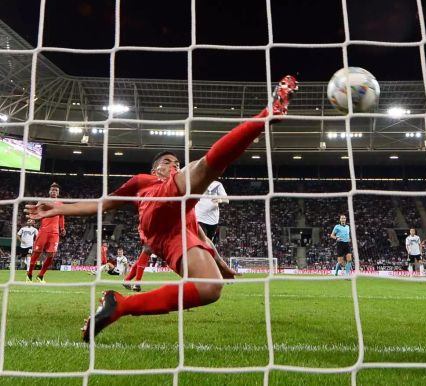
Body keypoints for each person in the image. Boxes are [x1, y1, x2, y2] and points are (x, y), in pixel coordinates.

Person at [25, 74, 299, 342]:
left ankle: (120, 305)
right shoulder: (145, 181)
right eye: (168, 161)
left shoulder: (186, 199)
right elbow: (103, 204)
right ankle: (268, 114)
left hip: (175, 237)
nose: (173, 165)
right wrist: (60, 207)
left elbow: (200, 236)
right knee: (204, 167)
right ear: (155, 167)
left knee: (211, 288)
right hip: (158, 210)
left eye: (175, 163)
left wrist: (222, 265)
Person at [27, 183, 66, 283]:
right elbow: (35, 211)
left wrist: (62, 228)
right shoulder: (43, 201)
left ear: (58, 192)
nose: (54, 192)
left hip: (55, 233)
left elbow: (61, 216)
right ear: (49, 191)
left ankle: (40, 276)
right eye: (52, 190)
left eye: (56, 190)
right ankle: (29, 274)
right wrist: (32, 219)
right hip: (44, 230)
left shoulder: (61, 203)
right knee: (36, 253)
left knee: (51, 255)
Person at [196, 180, 228, 246]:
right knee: (202, 239)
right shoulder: (198, 182)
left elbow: (227, 200)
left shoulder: (218, 184)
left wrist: (220, 200)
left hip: (212, 219)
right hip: (199, 217)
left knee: (209, 241)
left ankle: (210, 252)